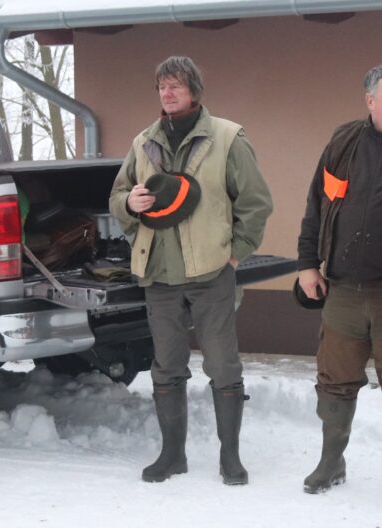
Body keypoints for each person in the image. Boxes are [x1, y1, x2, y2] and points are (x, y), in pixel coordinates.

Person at [108, 56, 272, 486]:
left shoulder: (227, 137)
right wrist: (129, 204)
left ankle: (230, 457)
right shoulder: (143, 141)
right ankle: (172, 455)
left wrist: (234, 255)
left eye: (176, 85)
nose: (167, 93)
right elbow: (118, 195)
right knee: (166, 368)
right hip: (159, 275)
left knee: (223, 366)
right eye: (162, 86)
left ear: (195, 91)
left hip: (211, 274)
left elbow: (256, 203)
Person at [295, 63, 382, 499]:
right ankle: (331, 461)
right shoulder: (344, 142)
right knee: (334, 380)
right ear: (370, 101)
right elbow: (316, 203)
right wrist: (307, 263)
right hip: (342, 290)